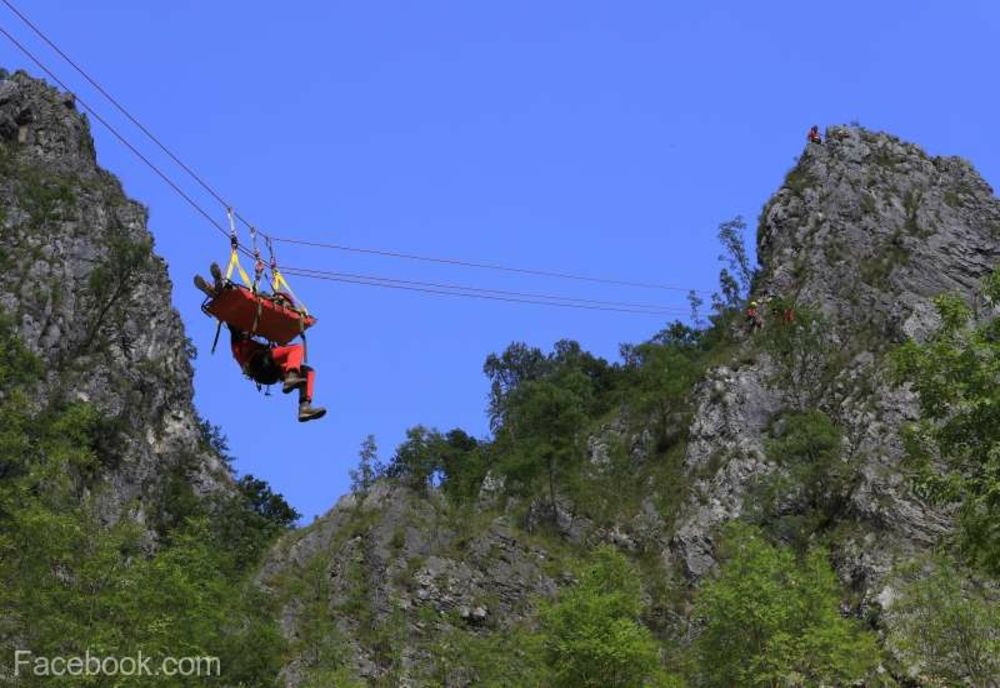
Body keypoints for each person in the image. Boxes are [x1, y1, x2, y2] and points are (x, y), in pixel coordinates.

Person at [194, 263, 327, 423]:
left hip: (267, 368)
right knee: (295, 350)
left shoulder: (262, 326)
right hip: (258, 363)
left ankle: (304, 407)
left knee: (308, 371)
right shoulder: (244, 326)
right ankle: (216, 287)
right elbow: (232, 311)